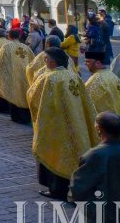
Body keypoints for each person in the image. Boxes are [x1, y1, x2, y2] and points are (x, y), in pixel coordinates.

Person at [28, 48, 96, 200]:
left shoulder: (50, 78)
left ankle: (56, 189)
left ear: (53, 61)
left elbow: (35, 98)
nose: (45, 62)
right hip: (76, 122)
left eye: (46, 59)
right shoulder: (74, 75)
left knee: (56, 154)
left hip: (56, 125)